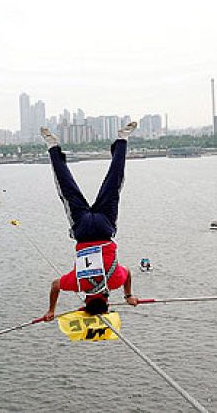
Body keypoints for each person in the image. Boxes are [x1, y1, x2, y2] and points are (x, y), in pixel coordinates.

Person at [41, 121, 140, 322]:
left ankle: (122, 139)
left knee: (114, 183)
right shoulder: (77, 284)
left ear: (106, 301)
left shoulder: (115, 281)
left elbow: (128, 272)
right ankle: (52, 146)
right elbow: (54, 285)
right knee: (66, 187)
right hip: (83, 231)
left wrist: (128, 295)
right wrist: (51, 310)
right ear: (86, 301)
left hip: (104, 227)